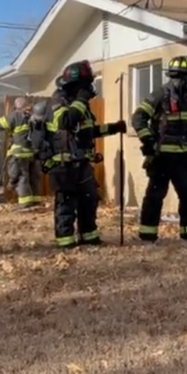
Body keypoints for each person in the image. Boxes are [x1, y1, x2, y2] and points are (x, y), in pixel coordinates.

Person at [37, 60, 126, 248]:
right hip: (63, 165)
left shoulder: (80, 106)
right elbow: (66, 122)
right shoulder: (57, 102)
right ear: (75, 85)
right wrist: (81, 100)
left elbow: (89, 131)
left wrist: (114, 128)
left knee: (89, 200)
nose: (89, 89)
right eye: (85, 85)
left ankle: (89, 236)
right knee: (66, 205)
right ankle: (66, 242)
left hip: (82, 163)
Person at [131, 55, 187, 242]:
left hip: (184, 158)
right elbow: (138, 118)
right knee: (155, 197)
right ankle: (148, 235)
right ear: (181, 77)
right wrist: (148, 141)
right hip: (162, 157)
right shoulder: (159, 95)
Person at [0, 96, 43, 209]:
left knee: (22, 177)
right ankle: (35, 200)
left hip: (20, 153)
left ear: (17, 106)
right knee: (34, 177)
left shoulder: (16, 115)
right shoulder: (35, 116)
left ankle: (25, 202)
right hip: (33, 153)